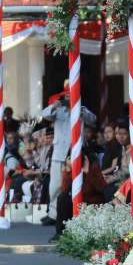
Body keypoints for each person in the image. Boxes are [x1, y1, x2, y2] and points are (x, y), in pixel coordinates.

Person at [40, 83, 95, 225]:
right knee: (55, 186)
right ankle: (53, 214)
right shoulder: (59, 111)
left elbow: (92, 119)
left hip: (75, 155)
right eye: (67, 95)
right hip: (59, 154)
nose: (69, 98)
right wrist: (57, 105)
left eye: (71, 95)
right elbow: (44, 114)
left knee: (76, 186)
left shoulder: (81, 110)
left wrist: (79, 108)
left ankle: (74, 213)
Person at [52, 148, 106, 240]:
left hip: (91, 200)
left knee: (69, 200)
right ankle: (60, 232)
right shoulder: (71, 168)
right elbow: (65, 189)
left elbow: (101, 187)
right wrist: (68, 171)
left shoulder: (93, 166)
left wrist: (87, 172)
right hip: (76, 200)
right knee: (62, 198)